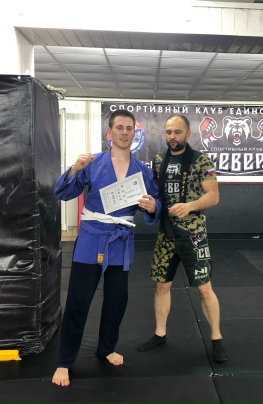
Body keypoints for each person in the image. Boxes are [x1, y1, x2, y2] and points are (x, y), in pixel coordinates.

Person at [52, 109, 161, 387]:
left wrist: (152, 206)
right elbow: (62, 193)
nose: (124, 132)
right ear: (109, 132)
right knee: (78, 302)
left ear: (135, 133)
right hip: (91, 238)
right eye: (119, 128)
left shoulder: (142, 171)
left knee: (116, 301)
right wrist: (74, 168)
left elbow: (155, 203)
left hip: (120, 241)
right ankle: (64, 361)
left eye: (129, 128)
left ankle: (106, 348)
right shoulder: (93, 163)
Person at [137, 114, 227, 363]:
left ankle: (217, 338)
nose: (172, 137)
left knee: (204, 288)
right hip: (166, 234)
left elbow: (213, 196)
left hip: (193, 234)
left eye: (177, 132)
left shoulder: (201, 160)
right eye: (168, 132)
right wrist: (149, 205)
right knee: (161, 285)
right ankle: (159, 333)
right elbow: (155, 195)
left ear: (187, 134)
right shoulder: (159, 161)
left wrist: (189, 206)